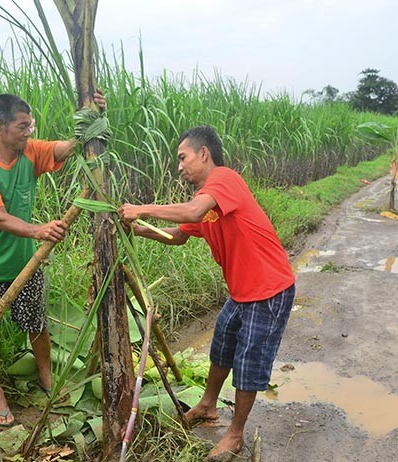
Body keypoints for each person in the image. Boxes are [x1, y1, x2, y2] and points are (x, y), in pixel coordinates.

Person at [118, 125, 296, 460]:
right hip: (242, 291)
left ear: (204, 154)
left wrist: (141, 208)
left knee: (248, 362)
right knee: (222, 345)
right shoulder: (206, 199)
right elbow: (179, 234)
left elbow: (193, 213)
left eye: (183, 158)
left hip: (269, 289)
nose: (179, 166)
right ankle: (208, 405)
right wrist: (139, 230)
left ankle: (235, 434)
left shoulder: (224, 179)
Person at [0, 91, 105, 426]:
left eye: (31, 125)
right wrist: (39, 230)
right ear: (0, 126)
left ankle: (46, 377)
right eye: (23, 126)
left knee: (36, 323)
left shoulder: (31, 152)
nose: (29, 132)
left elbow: (67, 148)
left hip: (25, 263)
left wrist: (93, 116)